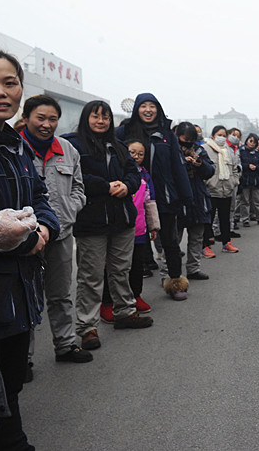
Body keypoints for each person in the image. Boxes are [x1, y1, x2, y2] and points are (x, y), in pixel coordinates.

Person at [0, 50, 61, 449]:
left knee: (11, 383)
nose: (1, 92)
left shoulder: (15, 147)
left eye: (9, 82)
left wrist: (44, 230)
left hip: (17, 292)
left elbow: (40, 198)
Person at [64, 100, 153, 351]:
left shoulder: (118, 145)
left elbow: (134, 173)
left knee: (120, 270)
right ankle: (87, 327)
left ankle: (125, 312)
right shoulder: (73, 144)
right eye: (95, 116)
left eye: (105, 117)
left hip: (122, 218)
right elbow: (74, 176)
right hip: (91, 220)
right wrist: (105, 186)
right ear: (86, 118)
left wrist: (127, 185)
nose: (101, 121)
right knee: (90, 277)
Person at [18, 96, 92, 371]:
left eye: (52, 119)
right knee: (25, 297)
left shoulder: (67, 150)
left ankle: (65, 344)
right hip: (23, 238)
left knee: (61, 294)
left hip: (60, 234)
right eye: (40, 118)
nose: (47, 124)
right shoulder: (13, 149)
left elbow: (79, 189)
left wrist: (69, 211)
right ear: (26, 118)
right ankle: (22, 359)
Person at [116, 93, 194, 302]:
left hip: (164, 195)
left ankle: (175, 282)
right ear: (137, 109)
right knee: (133, 244)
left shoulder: (167, 133)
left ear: (158, 109)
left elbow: (178, 166)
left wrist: (186, 197)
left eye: (152, 106)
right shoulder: (124, 131)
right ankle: (128, 293)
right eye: (144, 106)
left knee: (170, 241)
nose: (148, 110)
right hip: (134, 195)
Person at [99, 139, 159, 321]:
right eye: (132, 152)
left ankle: (135, 295)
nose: (136, 156)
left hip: (140, 228)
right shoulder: (116, 171)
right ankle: (107, 302)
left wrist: (153, 226)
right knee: (114, 267)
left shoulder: (145, 176)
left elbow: (150, 202)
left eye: (140, 154)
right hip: (119, 226)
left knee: (136, 265)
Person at [175, 122, 215, 279]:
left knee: (197, 238)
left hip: (198, 198)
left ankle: (193, 269)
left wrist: (199, 164)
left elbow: (210, 171)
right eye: (185, 139)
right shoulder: (172, 150)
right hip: (178, 199)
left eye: (191, 139)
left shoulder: (199, 150)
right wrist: (183, 163)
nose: (188, 142)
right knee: (174, 240)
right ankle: (171, 272)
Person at [203, 125, 240, 254]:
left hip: (226, 190)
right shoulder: (205, 149)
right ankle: (205, 245)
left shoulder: (228, 151)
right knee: (208, 220)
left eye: (224, 136)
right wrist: (208, 183)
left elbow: (234, 168)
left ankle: (226, 243)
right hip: (211, 190)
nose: (222, 138)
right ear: (213, 136)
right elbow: (202, 169)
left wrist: (234, 182)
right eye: (219, 135)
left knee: (225, 219)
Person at [238, 133, 259, 226]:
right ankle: (245, 219)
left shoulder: (258, 154)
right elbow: (239, 164)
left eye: (254, 142)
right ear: (246, 141)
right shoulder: (242, 152)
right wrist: (247, 166)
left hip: (256, 180)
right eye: (250, 141)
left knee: (257, 200)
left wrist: (256, 167)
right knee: (245, 201)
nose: (252, 143)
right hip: (245, 180)